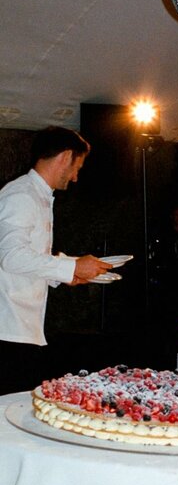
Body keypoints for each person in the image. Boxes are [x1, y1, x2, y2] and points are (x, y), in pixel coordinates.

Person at [0, 126, 111, 395]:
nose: (75, 177)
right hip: (8, 329)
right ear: (65, 156)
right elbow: (11, 256)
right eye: (77, 167)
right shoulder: (22, 195)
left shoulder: (36, 196)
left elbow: (30, 257)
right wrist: (71, 266)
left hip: (20, 328)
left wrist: (67, 273)